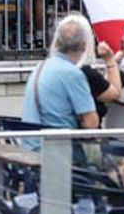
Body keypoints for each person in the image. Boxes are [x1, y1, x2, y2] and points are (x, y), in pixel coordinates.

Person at [21, 14, 99, 150]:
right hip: (58, 150)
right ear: (86, 46)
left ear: (57, 42)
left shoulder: (41, 66)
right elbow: (91, 124)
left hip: (32, 144)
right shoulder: (72, 73)